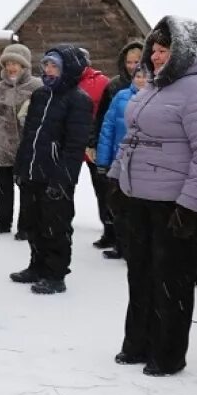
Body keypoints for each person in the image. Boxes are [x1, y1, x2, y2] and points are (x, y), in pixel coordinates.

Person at [110, 16, 197, 377]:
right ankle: (138, 343)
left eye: (166, 50)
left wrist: (190, 206)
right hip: (139, 197)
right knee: (141, 274)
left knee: (171, 279)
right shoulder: (153, 87)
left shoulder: (194, 89)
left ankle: (167, 354)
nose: (158, 57)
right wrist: (116, 180)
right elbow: (131, 138)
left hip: (173, 203)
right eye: (155, 50)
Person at [11, 46, 92, 294]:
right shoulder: (40, 95)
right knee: (33, 223)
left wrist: (63, 179)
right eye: (46, 65)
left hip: (56, 176)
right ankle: (36, 265)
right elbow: (29, 136)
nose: (48, 70)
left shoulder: (79, 101)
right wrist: (21, 166)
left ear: (68, 69)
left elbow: (74, 145)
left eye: (54, 66)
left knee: (55, 227)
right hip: (33, 172)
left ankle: (56, 274)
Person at [0, 43, 42, 236]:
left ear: (25, 66)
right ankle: (3, 223)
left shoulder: (37, 87)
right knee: (4, 187)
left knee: (26, 188)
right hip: (2, 145)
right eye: (8, 63)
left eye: (16, 63)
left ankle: (26, 227)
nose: (11, 67)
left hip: (26, 147)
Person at [90, 39, 144, 253]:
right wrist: (93, 143)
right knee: (109, 196)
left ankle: (128, 243)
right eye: (129, 62)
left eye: (137, 61)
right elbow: (103, 119)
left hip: (138, 158)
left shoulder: (154, 87)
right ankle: (111, 233)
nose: (132, 66)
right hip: (113, 151)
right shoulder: (114, 86)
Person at [77, 50, 112, 249]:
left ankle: (108, 227)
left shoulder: (101, 82)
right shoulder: (65, 81)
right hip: (70, 143)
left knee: (102, 187)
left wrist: (95, 140)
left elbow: (104, 114)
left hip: (92, 143)